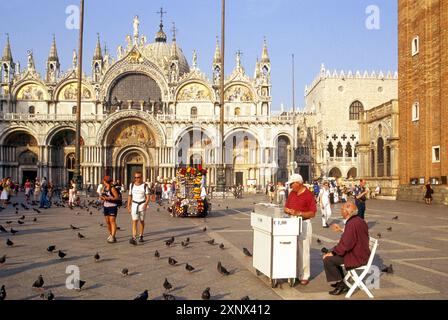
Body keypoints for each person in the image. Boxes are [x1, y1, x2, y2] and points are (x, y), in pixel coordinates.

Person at [323, 202, 370, 295]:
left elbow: (346, 244)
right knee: (333, 255)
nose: (341, 211)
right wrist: (341, 230)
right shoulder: (358, 220)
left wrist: (333, 253)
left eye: (342, 209)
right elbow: (351, 238)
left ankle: (341, 285)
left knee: (328, 259)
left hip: (356, 256)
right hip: (360, 253)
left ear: (347, 212)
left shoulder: (352, 223)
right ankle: (340, 282)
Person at [284, 174, 317, 286]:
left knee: (303, 250)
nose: (291, 186)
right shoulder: (292, 193)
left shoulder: (308, 194)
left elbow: (312, 213)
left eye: (292, 184)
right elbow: (286, 207)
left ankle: (304, 275)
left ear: (298, 183)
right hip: (292, 223)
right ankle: (295, 273)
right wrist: (287, 210)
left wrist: (299, 213)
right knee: (292, 249)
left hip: (304, 223)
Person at [127, 172, 150, 245]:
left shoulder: (145, 186)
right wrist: (128, 205)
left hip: (142, 204)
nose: (137, 179)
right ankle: (134, 237)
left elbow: (148, 196)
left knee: (142, 221)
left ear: (141, 177)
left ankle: (141, 235)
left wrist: (146, 204)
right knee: (134, 221)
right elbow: (130, 196)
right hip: (134, 204)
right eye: (135, 177)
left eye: (138, 177)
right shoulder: (131, 185)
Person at [101, 176, 120, 243]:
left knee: (112, 221)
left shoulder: (112, 189)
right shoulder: (104, 188)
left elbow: (117, 197)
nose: (103, 181)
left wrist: (108, 199)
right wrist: (102, 198)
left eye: (104, 180)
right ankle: (111, 234)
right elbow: (102, 196)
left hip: (112, 206)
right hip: (106, 206)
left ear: (105, 181)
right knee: (107, 222)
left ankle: (113, 236)